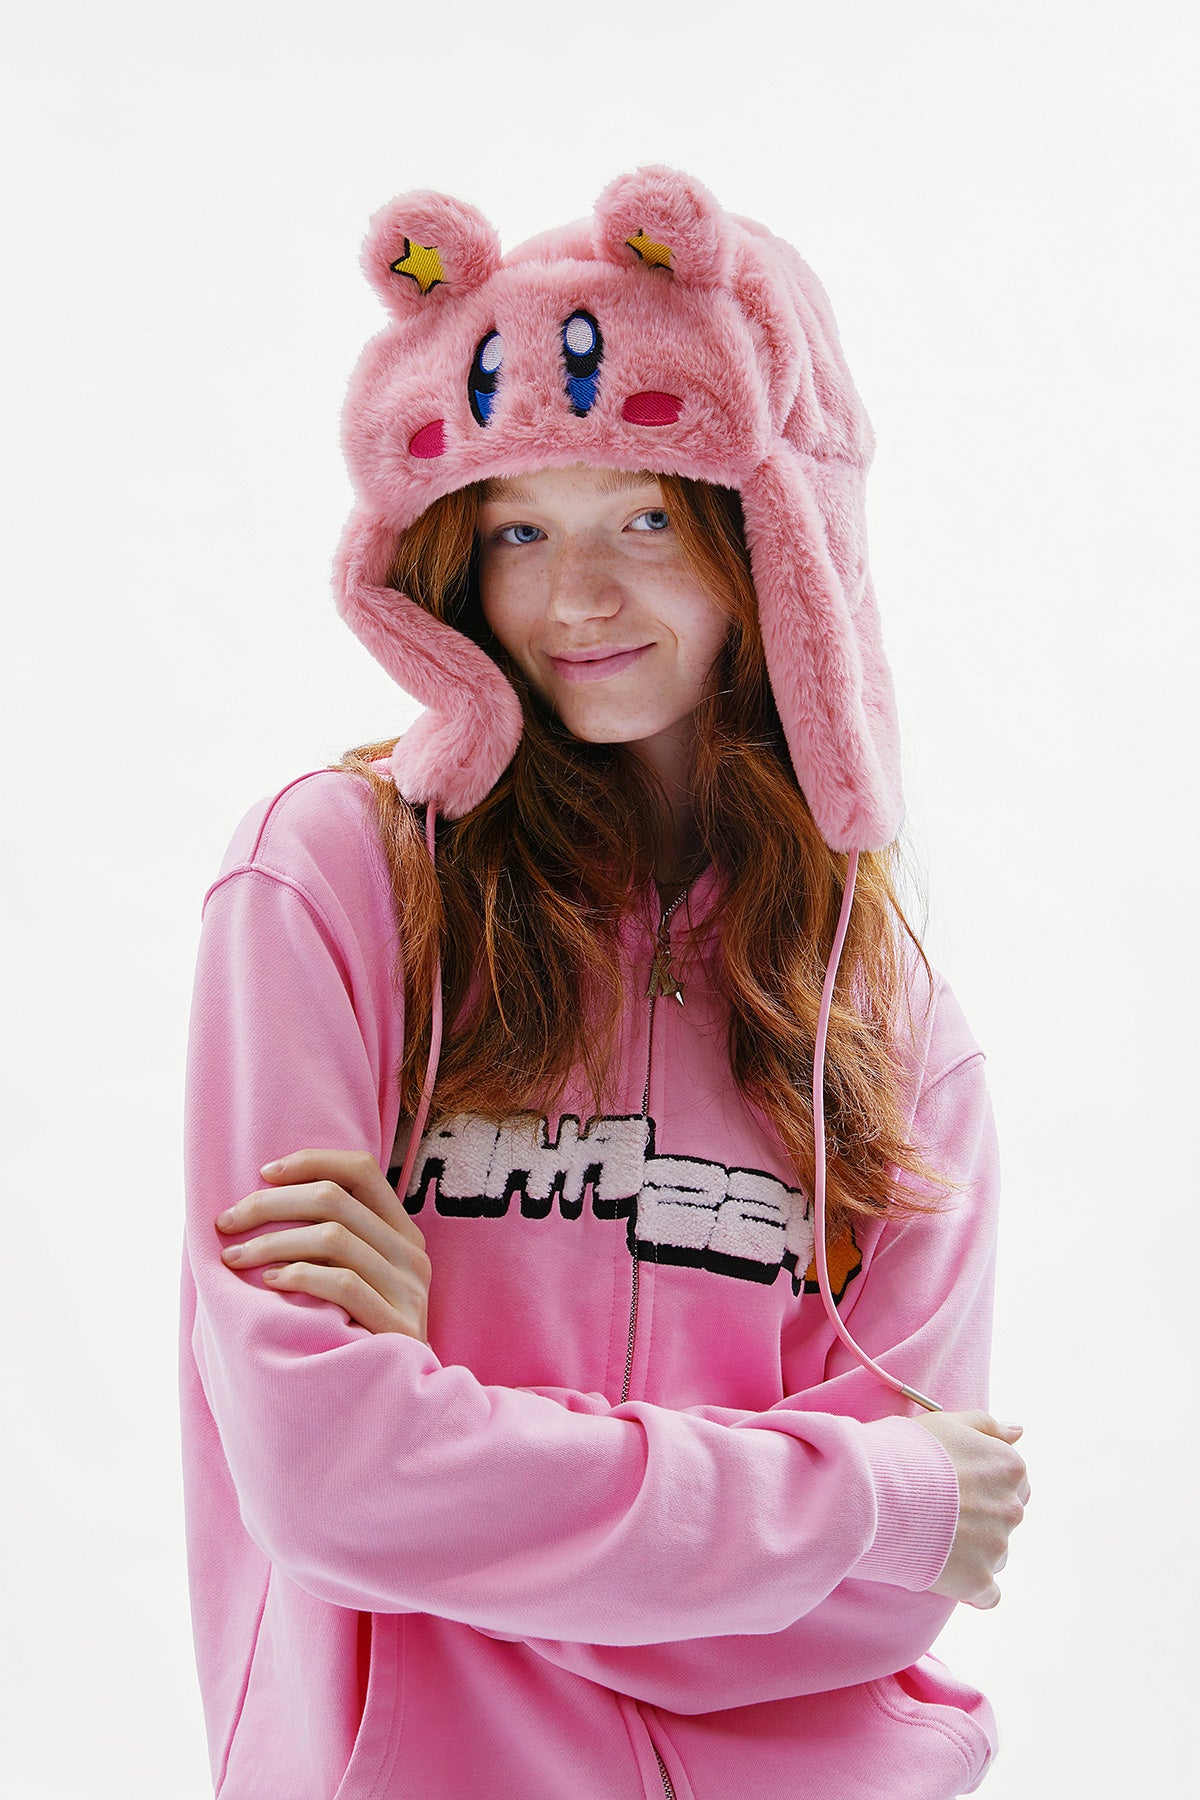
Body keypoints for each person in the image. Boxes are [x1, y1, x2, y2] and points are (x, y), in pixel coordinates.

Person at [179, 166, 1030, 1800]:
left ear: (776, 545)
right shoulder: (335, 883)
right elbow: (332, 1483)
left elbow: (879, 1612)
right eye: (519, 530)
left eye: (645, 517)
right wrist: (858, 1494)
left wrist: (459, 1432)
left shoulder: (891, 1031)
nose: (574, 598)